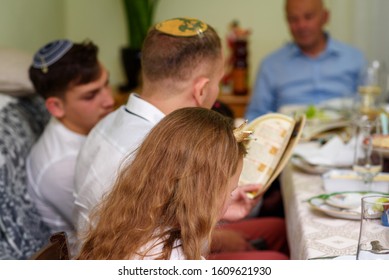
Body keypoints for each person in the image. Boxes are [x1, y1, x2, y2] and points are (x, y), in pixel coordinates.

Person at [74, 17, 289, 259]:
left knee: (279, 230)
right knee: (276, 259)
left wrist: (220, 204)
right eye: (218, 83)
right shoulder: (154, 152)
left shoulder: (108, 123)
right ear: (202, 90)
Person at [77, 107, 249, 259]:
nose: (230, 197)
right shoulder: (174, 258)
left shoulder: (127, 223)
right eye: (230, 192)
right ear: (203, 196)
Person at [26, 39, 115, 248]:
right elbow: (110, 232)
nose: (109, 100)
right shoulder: (59, 167)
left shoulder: (89, 125)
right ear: (56, 107)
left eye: (106, 83)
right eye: (91, 95)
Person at [245, 0, 367, 121]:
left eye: (308, 17)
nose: (301, 25)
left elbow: (369, 110)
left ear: (325, 17)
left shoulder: (354, 58)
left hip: (345, 136)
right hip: (293, 137)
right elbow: (255, 117)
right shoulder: (270, 65)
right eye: (293, 19)